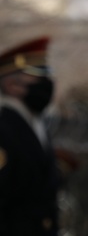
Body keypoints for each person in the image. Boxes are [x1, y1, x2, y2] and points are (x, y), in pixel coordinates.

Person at [0, 36, 59, 236]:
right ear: (12, 85)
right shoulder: (4, 128)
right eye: (37, 77)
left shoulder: (36, 125)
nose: (46, 83)